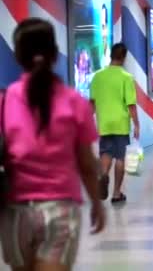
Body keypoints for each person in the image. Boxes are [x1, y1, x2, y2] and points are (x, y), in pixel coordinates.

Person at [0, 18, 105, 270]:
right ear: (55, 55)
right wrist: (97, 203)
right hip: (61, 211)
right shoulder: (74, 102)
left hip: (15, 213)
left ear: (18, 56)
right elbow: (87, 164)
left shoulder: (5, 102)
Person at [90, 43, 139, 204]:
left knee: (105, 153)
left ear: (111, 55)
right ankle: (117, 193)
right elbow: (131, 104)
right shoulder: (126, 77)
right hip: (120, 123)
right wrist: (137, 124)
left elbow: (91, 103)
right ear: (124, 58)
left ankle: (103, 175)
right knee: (120, 157)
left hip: (104, 122)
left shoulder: (98, 77)